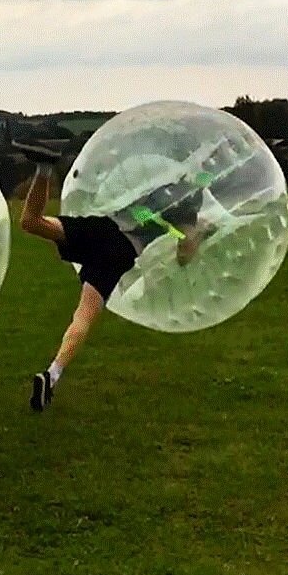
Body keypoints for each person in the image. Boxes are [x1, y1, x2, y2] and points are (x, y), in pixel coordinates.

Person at [19, 150, 214, 412]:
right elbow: (183, 255)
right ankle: (52, 374)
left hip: (101, 229)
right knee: (83, 316)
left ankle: (44, 166)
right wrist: (198, 232)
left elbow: (132, 206)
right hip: (120, 249)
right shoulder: (187, 212)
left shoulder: (159, 187)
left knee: (31, 222)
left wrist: (156, 219)